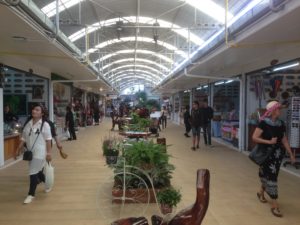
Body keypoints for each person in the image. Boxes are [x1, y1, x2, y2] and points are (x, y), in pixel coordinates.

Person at [252, 101, 295, 217]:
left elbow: (284, 140)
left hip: (277, 155)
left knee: (271, 177)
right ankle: (274, 205)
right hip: (265, 154)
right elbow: (254, 138)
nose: (280, 110)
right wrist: (269, 141)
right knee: (268, 176)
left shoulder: (281, 124)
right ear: (272, 111)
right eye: (278, 109)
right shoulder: (263, 123)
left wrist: (291, 154)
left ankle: (261, 194)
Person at [14, 103, 52, 204]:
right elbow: (24, 138)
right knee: (38, 172)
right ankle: (48, 182)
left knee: (32, 173)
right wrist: (18, 148)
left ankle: (31, 194)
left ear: (42, 114)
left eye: (37, 110)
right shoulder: (28, 123)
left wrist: (49, 153)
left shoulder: (45, 125)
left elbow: (48, 140)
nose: (34, 111)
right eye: (33, 109)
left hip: (40, 153)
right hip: (30, 153)